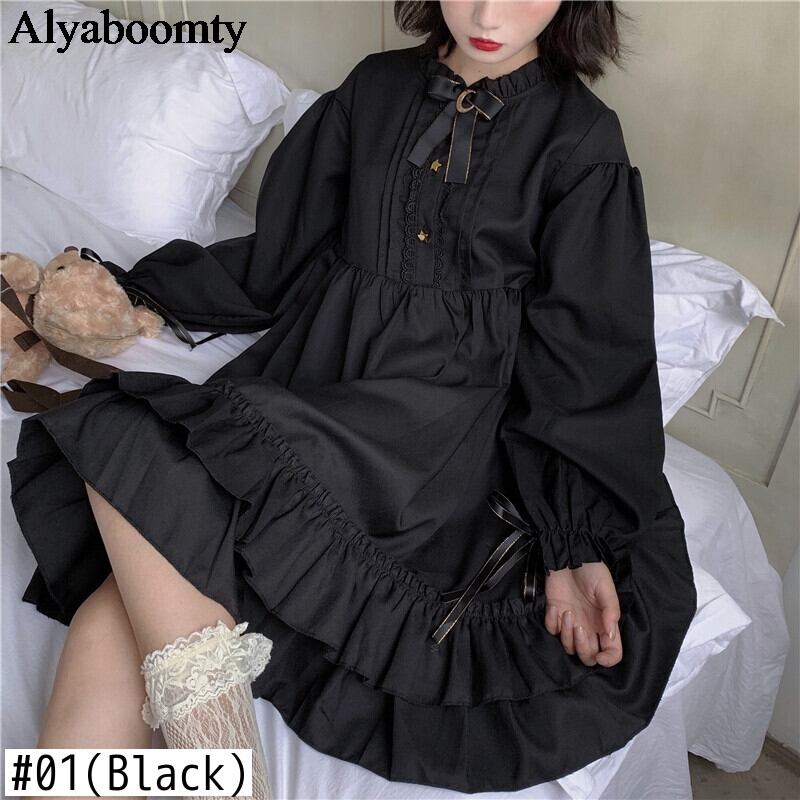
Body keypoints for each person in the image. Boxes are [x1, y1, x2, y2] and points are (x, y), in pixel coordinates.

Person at [6, 0, 698, 794]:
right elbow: (278, 257)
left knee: (130, 467)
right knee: (131, 490)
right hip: (320, 375)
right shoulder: (374, 87)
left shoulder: (580, 138)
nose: (487, 12)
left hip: (442, 427)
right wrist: (130, 293)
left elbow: (588, 348)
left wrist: (571, 538)